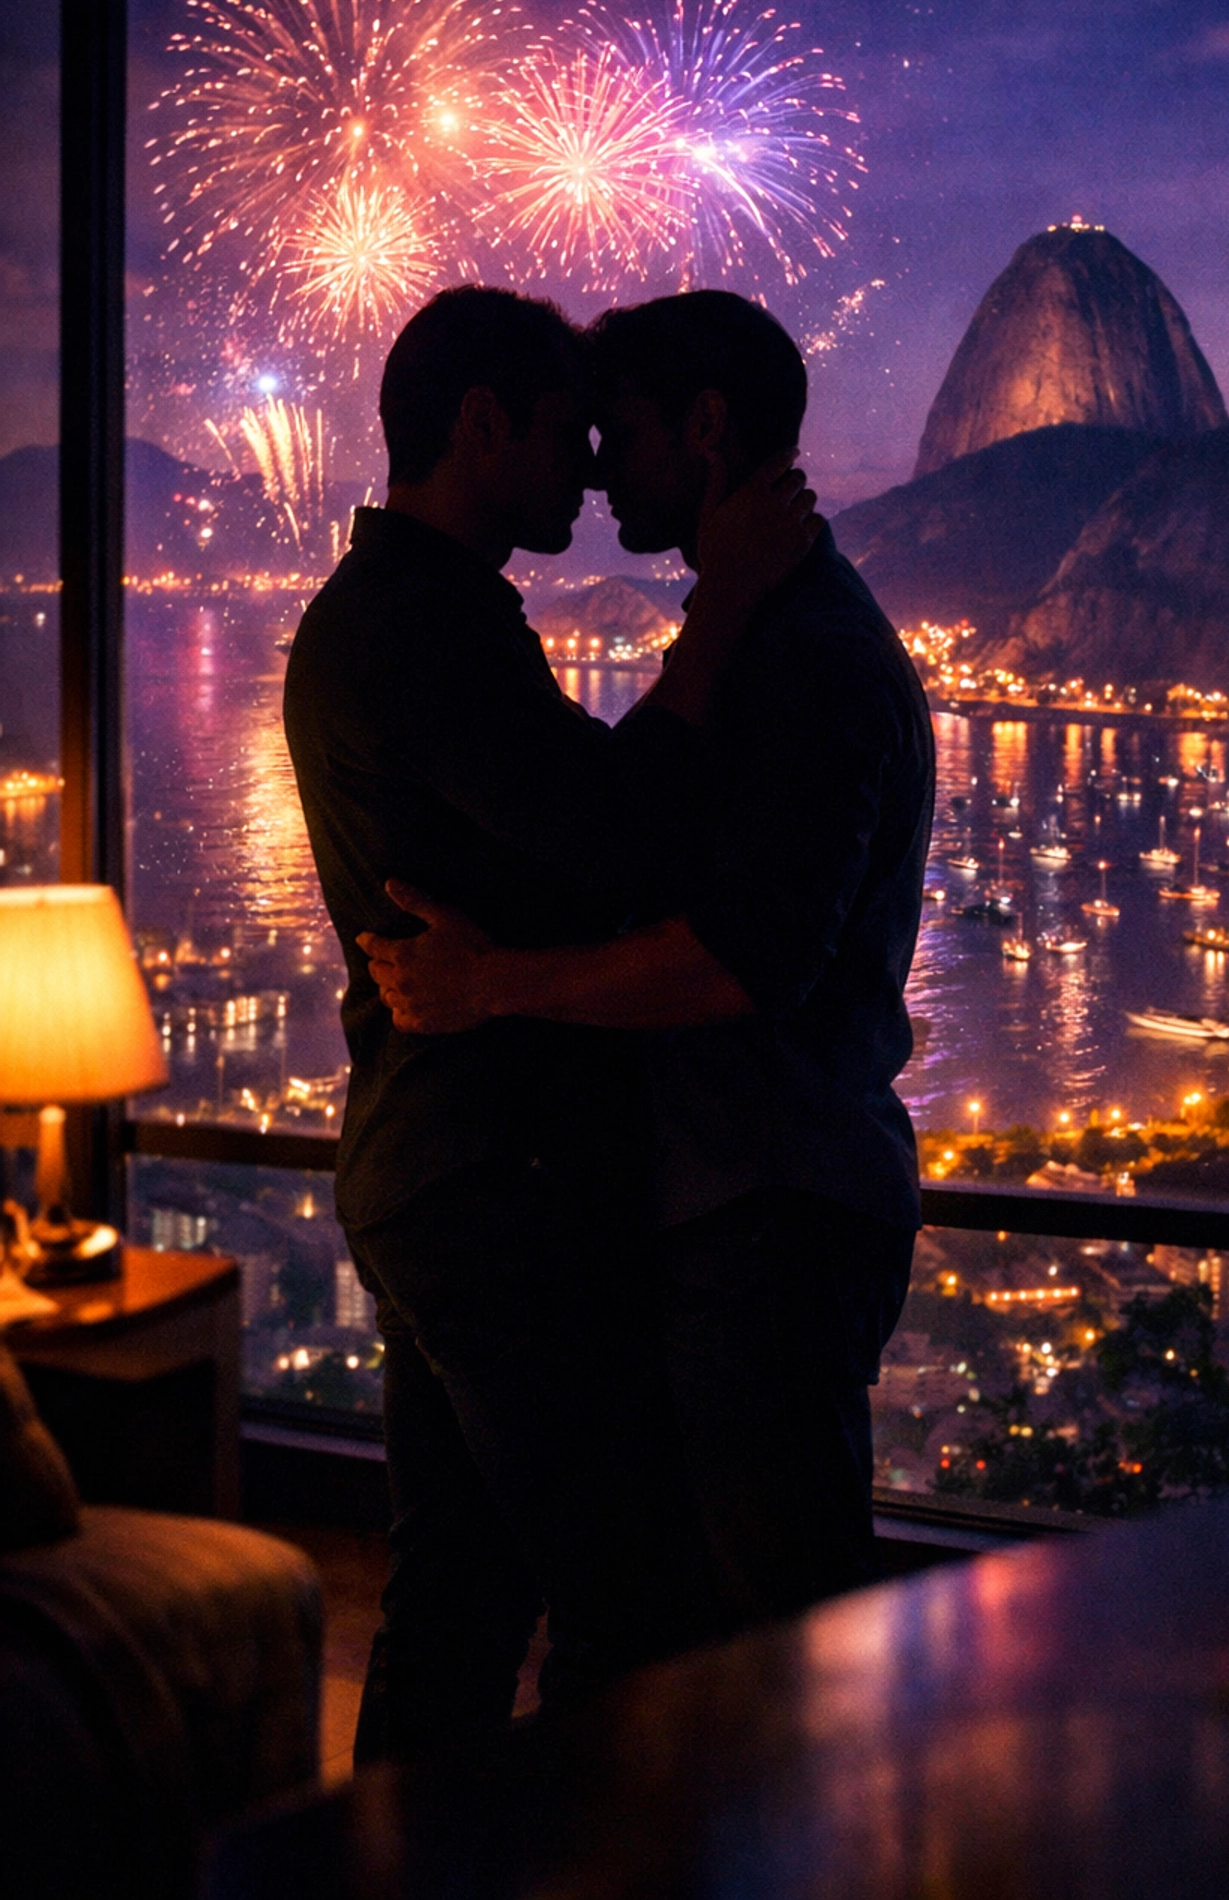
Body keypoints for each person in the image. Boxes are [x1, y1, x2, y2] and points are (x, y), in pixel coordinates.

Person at [284, 284, 817, 1757]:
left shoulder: (384, 615)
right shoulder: (424, 630)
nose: (590, 470)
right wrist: (726, 614)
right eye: (564, 435)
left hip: (432, 1164)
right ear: (479, 428)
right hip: (492, 1185)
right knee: (625, 1604)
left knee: (455, 1594)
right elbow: (622, 827)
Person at [362, 290, 936, 1638]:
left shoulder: (807, 661)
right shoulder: (773, 640)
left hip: (774, 1212)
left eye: (618, 433)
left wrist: (499, 983)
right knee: (696, 1623)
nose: (600, 471)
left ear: (709, 427)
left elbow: (745, 961)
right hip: (747, 1202)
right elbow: (632, 836)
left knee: (769, 1628)